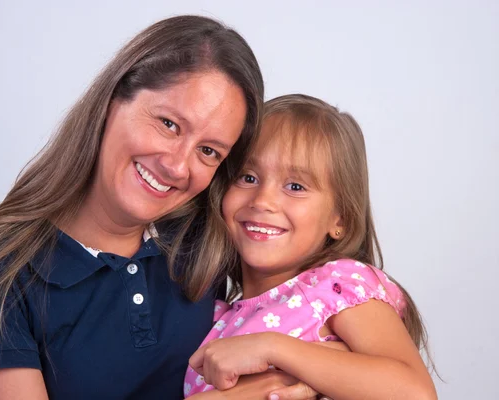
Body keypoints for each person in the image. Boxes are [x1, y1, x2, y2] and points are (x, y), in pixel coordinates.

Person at [0, 15, 269, 399]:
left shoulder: (207, 237)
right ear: (112, 101)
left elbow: (330, 303)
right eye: (169, 124)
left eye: (208, 151)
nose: (177, 166)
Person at [185, 94, 438, 399]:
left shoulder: (336, 287)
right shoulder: (212, 319)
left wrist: (272, 347)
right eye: (247, 177)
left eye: (295, 186)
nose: (263, 200)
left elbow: (415, 394)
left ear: (340, 219)